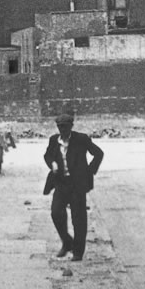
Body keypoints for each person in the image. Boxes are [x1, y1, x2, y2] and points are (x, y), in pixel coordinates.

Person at [44, 111, 104, 261]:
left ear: (71, 126)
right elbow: (47, 155)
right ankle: (67, 241)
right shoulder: (53, 140)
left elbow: (98, 153)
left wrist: (89, 172)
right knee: (56, 212)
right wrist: (52, 164)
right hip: (61, 182)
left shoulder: (81, 139)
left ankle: (78, 252)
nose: (62, 130)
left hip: (77, 185)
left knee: (79, 219)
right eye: (60, 127)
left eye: (65, 127)